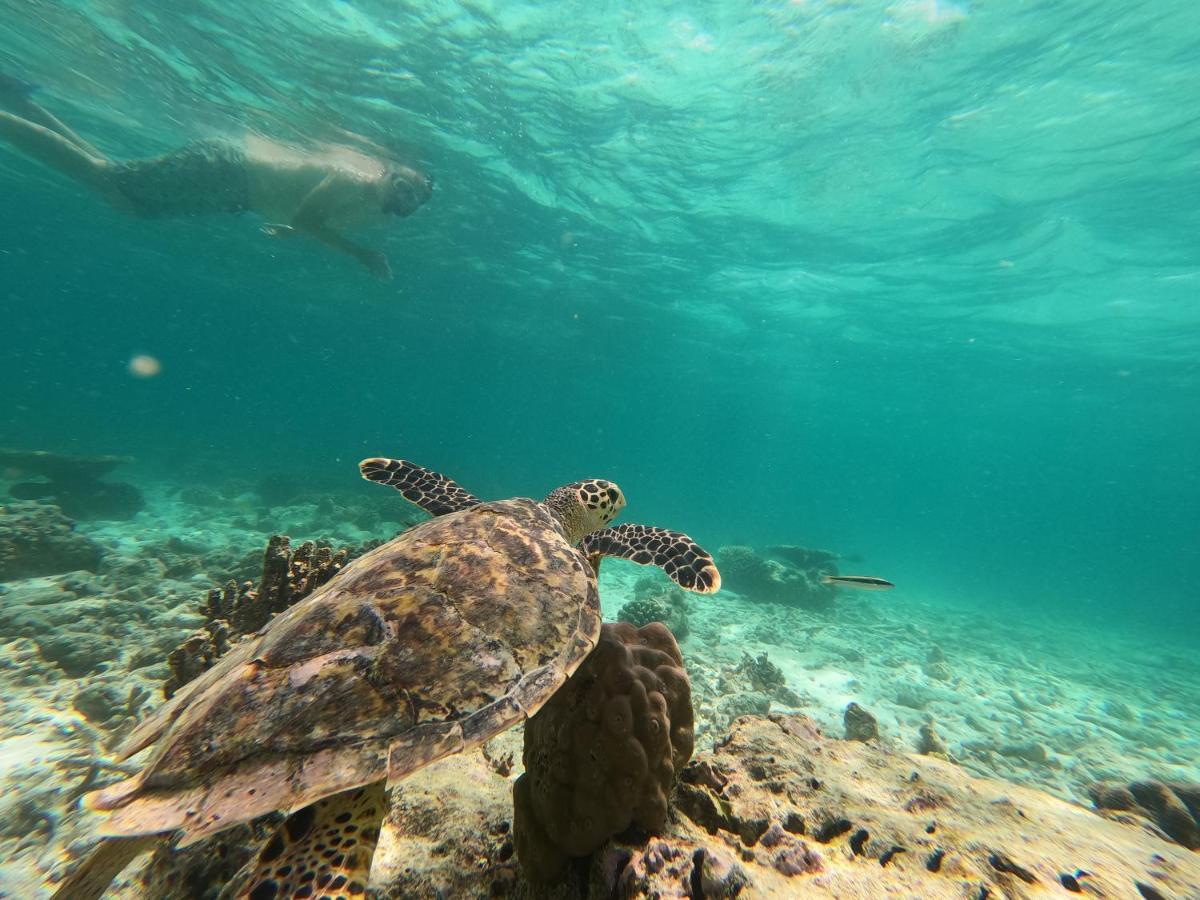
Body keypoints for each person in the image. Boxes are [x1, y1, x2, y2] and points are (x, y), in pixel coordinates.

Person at [0, 75, 431, 279]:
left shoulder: (361, 201)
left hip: (229, 186)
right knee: (117, 189)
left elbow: (301, 212)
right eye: (401, 185)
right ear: (386, 173)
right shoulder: (348, 178)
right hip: (223, 170)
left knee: (123, 189)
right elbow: (307, 217)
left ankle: (19, 103)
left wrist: (291, 229)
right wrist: (361, 256)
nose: (400, 198)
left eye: (410, 200)